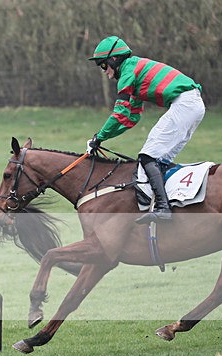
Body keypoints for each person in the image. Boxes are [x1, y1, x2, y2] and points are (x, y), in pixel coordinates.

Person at [85, 36, 205, 224]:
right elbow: (129, 118)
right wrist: (101, 139)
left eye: (103, 66)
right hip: (192, 105)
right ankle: (169, 204)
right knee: (160, 160)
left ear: (114, 59)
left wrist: (98, 138)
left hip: (185, 104)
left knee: (148, 156)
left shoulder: (128, 71)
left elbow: (119, 112)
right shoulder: (135, 70)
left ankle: (163, 208)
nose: (105, 71)